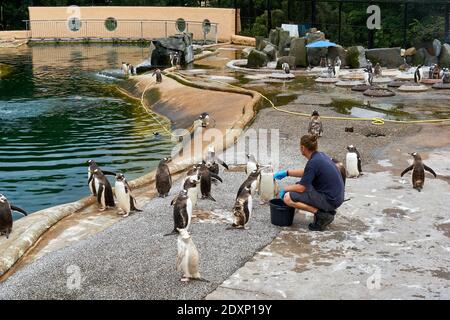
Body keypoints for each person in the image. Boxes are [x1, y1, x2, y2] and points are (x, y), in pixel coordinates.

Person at [274, 134, 345, 231]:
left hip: (330, 200)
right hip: (336, 197)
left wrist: (284, 189)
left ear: (303, 148)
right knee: (297, 185)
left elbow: (301, 188)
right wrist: (286, 173)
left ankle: (322, 215)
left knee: (288, 197)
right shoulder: (320, 156)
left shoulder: (313, 163)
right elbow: (307, 173)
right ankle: (326, 211)